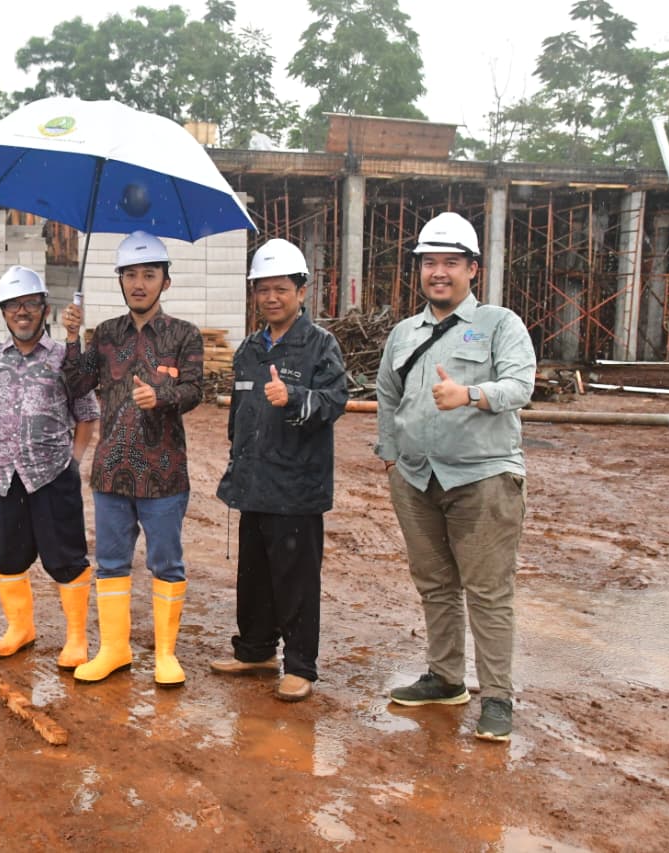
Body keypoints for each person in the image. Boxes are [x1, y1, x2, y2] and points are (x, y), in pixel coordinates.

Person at [375, 211, 536, 742]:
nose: (437, 273)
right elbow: (387, 396)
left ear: (473, 269)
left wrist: (470, 393)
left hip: (483, 479)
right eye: (428, 263)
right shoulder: (404, 333)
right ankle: (445, 677)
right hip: (417, 480)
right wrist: (393, 457)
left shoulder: (499, 324)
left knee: (488, 591)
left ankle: (497, 697)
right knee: (436, 585)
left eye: (450, 263)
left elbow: (520, 387)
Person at [59, 230, 204, 687]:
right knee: (111, 563)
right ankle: (115, 650)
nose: (139, 283)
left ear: (166, 281)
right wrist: (69, 338)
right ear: (119, 280)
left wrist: (160, 396)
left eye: (149, 274)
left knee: (167, 564)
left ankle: (165, 655)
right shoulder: (104, 335)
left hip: (164, 474)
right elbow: (75, 385)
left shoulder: (184, 335)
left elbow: (197, 390)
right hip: (111, 473)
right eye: (130, 275)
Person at [212, 238, 348, 702]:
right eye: (262, 289)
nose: (271, 298)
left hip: (297, 484)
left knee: (296, 578)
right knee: (253, 574)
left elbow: (335, 402)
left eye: (281, 289)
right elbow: (239, 413)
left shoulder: (319, 345)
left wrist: (295, 398)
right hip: (253, 481)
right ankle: (254, 650)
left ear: (301, 291)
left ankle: (301, 666)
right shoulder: (249, 349)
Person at [0, 266, 100, 668]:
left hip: (52, 475)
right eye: (14, 305)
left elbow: (86, 412)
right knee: (8, 557)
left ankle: (77, 639)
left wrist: (75, 461)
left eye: (30, 303)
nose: (22, 312)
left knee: (65, 558)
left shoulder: (65, 358)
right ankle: (20, 629)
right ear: (3, 312)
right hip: (2, 477)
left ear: (44, 308)